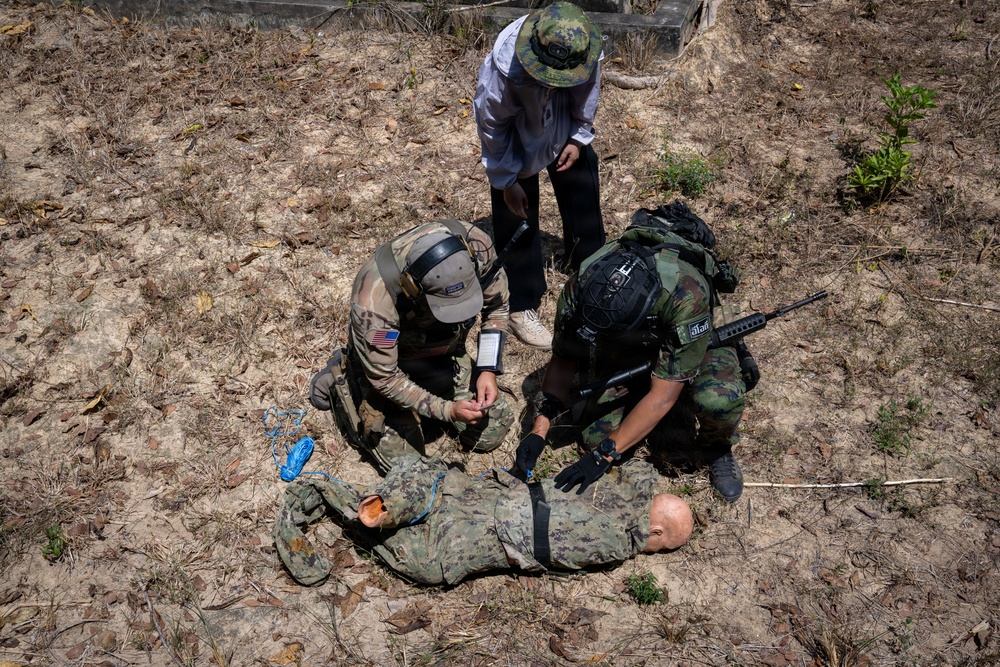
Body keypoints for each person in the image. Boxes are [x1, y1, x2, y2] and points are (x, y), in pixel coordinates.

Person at [514, 203, 748, 502]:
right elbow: (563, 363)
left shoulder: (686, 297)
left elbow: (663, 395)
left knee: (717, 399)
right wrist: (538, 431)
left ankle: (718, 447)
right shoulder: (579, 291)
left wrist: (603, 457)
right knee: (595, 438)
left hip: (693, 331)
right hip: (631, 340)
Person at [274, 454, 694, 586]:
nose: (651, 549)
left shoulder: (629, 482)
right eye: (662, 544)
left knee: (422, 477)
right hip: (454, 548)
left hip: (467, 493)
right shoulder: (621, 542)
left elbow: (641, 471)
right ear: (654, 530)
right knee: (425, 561)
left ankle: (376, 505)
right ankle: (365, 508)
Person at [309, 220, 514, 472]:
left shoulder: (477, 248)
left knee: (491, 432)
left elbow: (497, 307)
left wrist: (488, 369)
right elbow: (386, 378)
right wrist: (447, 411)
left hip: (444, 354)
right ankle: (344, 376)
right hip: (395, 363)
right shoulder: (375, 300)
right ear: (413, 287)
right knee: (408, 466)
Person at [474, 1, 607, 350]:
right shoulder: (505, 73)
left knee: (580, 180)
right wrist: (506, 180)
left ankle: (589, 267)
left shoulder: (582, 52)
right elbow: (492, 127)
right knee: (515, 209)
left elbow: (586, 91)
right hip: (520, 130)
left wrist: (578, 137)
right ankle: (521, 303)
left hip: (562, 116)